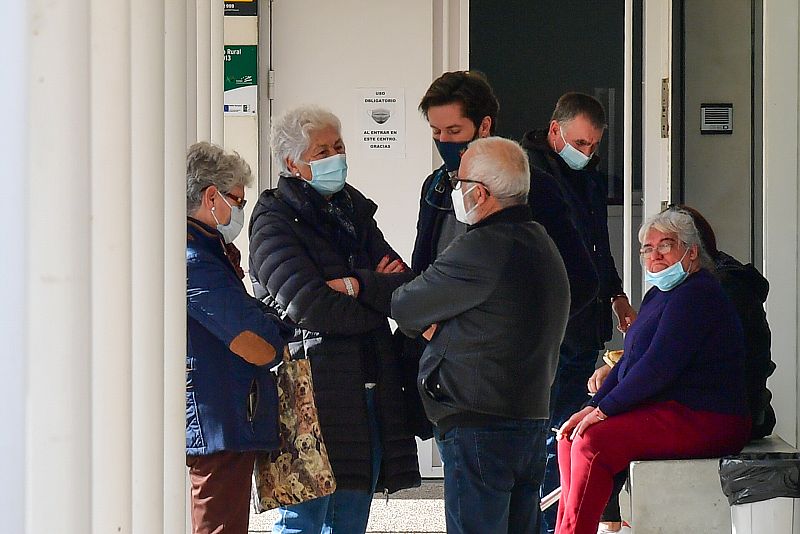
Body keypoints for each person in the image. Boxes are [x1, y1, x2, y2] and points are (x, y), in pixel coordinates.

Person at [248, 105, 421, 534]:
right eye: (322, 150)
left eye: (339, 146)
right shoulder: (272, 221)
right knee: (304, 520)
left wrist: (355, 284)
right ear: (293, 163)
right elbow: (309, 305)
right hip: (311, 391)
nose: (336, 156)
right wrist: (375, 305)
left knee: (351, 516)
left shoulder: (353, 212)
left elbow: (405, 285)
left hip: (368, 389)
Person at [391, 137, 572, 534]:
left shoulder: (481, 247)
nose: (455, 188)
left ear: (481, 192)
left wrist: (440, 322)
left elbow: (405, 306)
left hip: (480, 423)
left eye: (460, 180)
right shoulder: (542, 241)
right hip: (529, 417)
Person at [405, 71, 599, 439]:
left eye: (454, 131)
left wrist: (530, 332)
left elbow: (583, 278)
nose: (444, 142)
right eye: (436, 132)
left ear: (484, 126)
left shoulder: (534, 186)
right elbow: (422, 272)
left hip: (516, 377)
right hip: (452, 377)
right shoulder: (434, 187)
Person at [554, 207, 751, 534]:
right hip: (669, 410)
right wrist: (590, 407)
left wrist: (604, 411)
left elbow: (658, 366)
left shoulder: (698, 293)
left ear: (691, 252)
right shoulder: (658, 294)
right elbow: (629, 363)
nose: (654, 254)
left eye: (666, 244)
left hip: (709, 416)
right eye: (647, 247)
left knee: (592, 442)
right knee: (569, 434)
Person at [520, 92, 636, 533]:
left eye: (593, 147)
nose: (586, 154)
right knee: (551, 431)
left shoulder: (585, 178)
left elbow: (597, 247)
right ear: (555, 131)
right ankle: (548, 521)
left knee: (568, 425)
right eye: (580, 144)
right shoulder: (531, 176)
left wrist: (618, 296)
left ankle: (559, 517)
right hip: (550, 328)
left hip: (585, 323)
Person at [185, 142, 288, 534]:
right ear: (211, 197)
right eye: (237, 200)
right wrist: (275, 329)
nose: (241, 211)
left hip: (226, 417)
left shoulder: (210, 253)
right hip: (220, 421)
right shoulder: (196, 260)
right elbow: (257, 342)